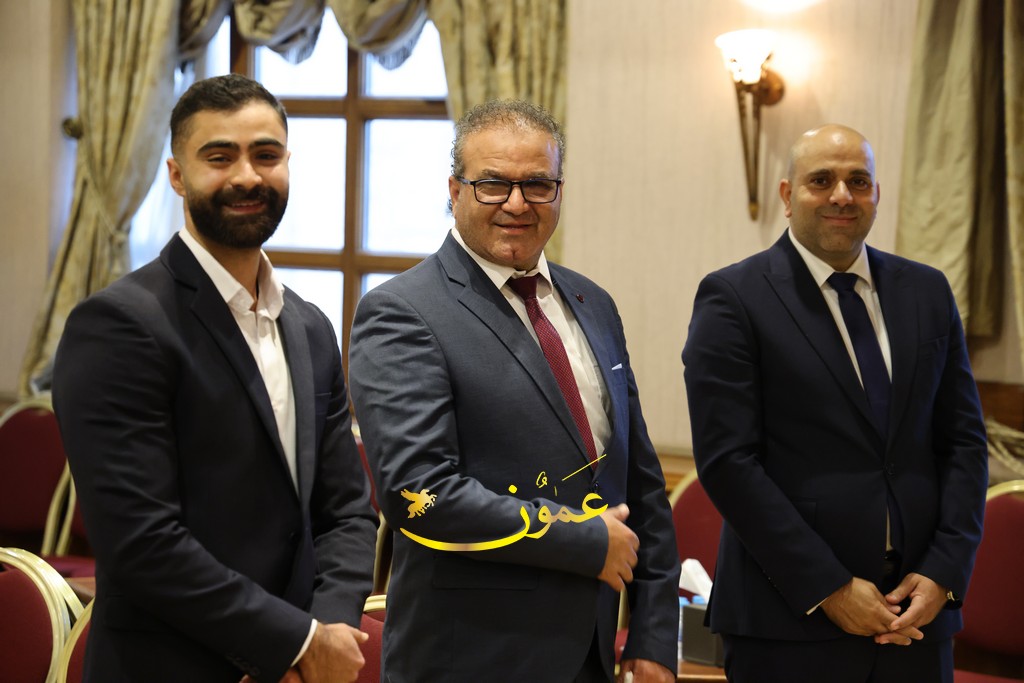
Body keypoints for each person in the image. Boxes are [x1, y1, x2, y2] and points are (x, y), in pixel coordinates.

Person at [52, 74, 379, 683]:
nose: (247, 177)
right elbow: (142, 543)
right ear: (177, 175)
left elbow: (347, 512)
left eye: (266, 155)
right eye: (220, 157)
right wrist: (292, 644)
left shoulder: (310, 327)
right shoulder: (118, 324)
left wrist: (326, 633)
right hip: (167, 667)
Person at [347, 99, 680, 682]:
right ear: (455, 190)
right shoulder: (402, 311)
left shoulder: (593, 304)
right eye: (493, 184)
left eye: (538, 184)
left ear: (559, 191)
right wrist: (580, 538)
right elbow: (419, 493)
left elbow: (641, 481)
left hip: (594, 652)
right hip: (472, 656)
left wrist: (653, 635)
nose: (518, 204)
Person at [682, 124, 989, 682]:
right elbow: (729, 463)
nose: (842, 195)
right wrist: (830, 587)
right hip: (789, 621)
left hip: (917, 620)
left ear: (876, 193)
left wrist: (945, 571)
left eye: (858, 181)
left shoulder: (927, 291)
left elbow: (964, 442)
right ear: (787, 194)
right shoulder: (734, 298)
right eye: (821, 180)